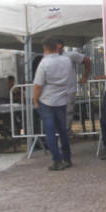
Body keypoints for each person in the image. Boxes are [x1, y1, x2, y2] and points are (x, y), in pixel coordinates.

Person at [31, 36, 90, 170]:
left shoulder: (44, 63)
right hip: (62, 99)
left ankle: (57, 160)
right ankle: (67, 158)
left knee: (50, 131)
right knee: (63, 130)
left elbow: (38, 85)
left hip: (47, 100)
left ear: (45, 48)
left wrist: (35, 99)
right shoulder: (66, 61)